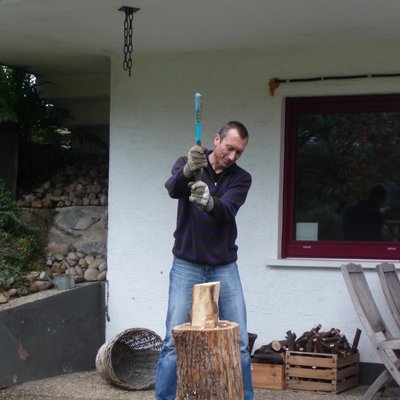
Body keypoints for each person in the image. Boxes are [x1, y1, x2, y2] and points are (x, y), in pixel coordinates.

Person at [155, 121, 253, 400]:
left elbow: (228, 209)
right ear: (216, 139)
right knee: (173, 340)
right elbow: (173, 188)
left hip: (224, 265)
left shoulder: (241, 178)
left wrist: (209, 202)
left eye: (239, 152)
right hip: (187, 264)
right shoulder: (191, 163)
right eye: (229, 148)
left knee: (240, 342)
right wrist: (188, 171)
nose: (232, 156)